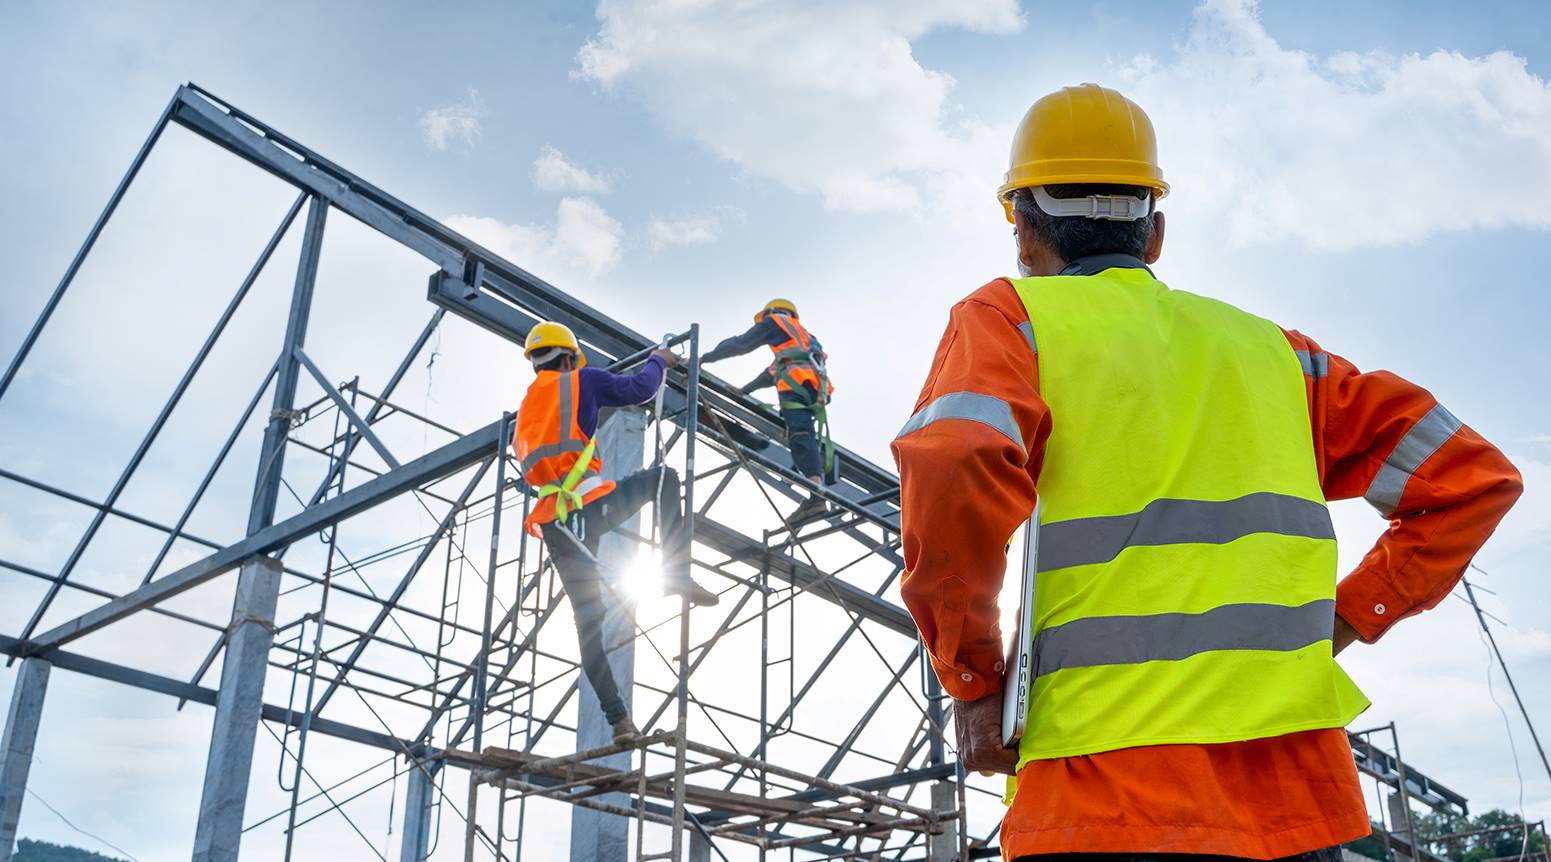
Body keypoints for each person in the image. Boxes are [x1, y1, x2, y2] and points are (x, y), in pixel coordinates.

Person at [891, 83, 1523, 862]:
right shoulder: (1277, 355)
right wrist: (1346, 617)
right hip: (1294, 791)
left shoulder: (1009, 320)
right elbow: (1471, 477)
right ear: (1153, 233)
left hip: (1104, 787)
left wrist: (974, 679)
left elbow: (954, 459)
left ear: (1021, 231)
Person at [512, 321, 719, 744]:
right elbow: (639, 391)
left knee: (587, 622)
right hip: (588, 502)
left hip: (555, 521)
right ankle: (675, 573)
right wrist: (658, 361)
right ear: (569, 357)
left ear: (535, 362)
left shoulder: (528, 406)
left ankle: (619, 722)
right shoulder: (581, 380)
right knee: (664, 479)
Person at [703, 299, 835, 521]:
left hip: (797, 385)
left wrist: (703, 358)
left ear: (772, 313)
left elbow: (741, 344)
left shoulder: (775, 321)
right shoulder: (803, 338)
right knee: (802, 431)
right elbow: (771, 373)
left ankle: (816, 493)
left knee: (800, 433)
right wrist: (744, 391)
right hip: (812, 387)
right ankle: (815, 492)